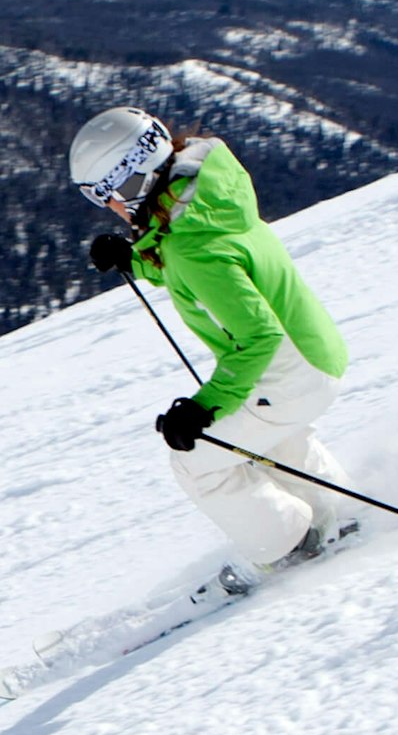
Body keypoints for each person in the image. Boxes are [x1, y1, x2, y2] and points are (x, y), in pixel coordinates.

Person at [71, 105, 370, 581]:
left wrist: (202, 408)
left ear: (132, 181)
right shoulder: (205, 195)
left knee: (197, 461)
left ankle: (292, 546)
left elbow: (256, 335)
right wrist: (139, 258)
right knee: (273, 433)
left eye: (104, 193)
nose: (107, 206)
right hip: (313, 353)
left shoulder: (191, 246)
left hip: (290, 369)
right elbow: (205, 264)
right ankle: (341, 513)